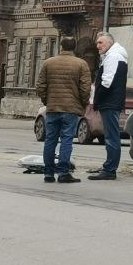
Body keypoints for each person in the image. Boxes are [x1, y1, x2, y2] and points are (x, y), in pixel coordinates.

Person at [36, 37, 92, 184]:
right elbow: (85, 89)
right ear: (74, 48)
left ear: (61, 46)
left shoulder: (49, 63)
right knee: (67, 140)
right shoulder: (81, 64)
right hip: (71, 109)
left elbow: (40, 86)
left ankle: (48, 173)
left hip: (53, 108)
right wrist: (83, 104)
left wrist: (47, 101)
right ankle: (63, 173)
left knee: (50, 140)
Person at [88, 32, 128, 181]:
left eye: (101, 43)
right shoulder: (114, 56)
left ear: (110, 43)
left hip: (110, 102)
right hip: (112, 102)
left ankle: (110, 170)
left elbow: (106, 82)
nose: (98, 46)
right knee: (111, 136)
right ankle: (109, 166)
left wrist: (97, 100)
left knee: (111, 137)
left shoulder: (113, 57)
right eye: (97, 43)